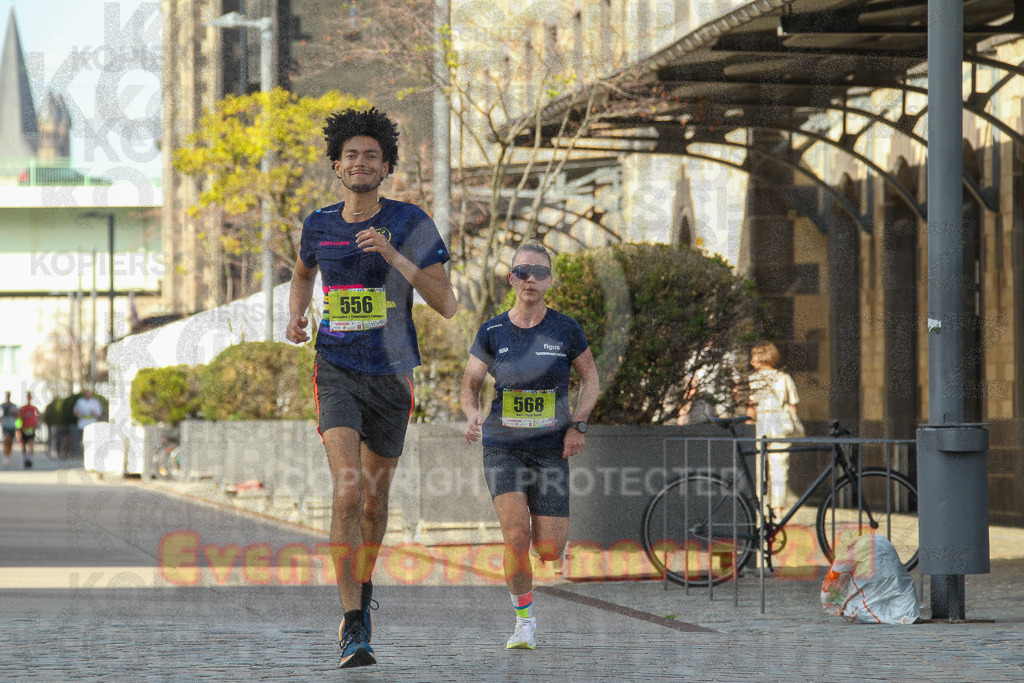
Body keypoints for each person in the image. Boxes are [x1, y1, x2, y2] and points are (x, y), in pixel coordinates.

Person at [285, 107, 457, 669]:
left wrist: (392, 255)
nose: (361, 162)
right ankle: (353, 619)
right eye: (351, 155)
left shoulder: (411, 221)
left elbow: (447, 303)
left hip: (392, 376)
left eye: (372, 155)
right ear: (337, 165)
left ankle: (363, 588)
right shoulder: (318, 223)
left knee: (376, 502)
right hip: (335, 368)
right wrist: (296, 316)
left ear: (386, 166)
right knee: (348, 493)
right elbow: (304, 271)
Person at [460, 242, 599, 651]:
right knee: (516, 533)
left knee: (550, 550)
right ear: (512, 279)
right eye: (522, 272)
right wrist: (472, 413)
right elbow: (469, 384)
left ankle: (538, 568)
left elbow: (590, 378)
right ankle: (524, 623)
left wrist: (579, 425)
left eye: (539, 272)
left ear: (550, 280)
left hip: (551, 448)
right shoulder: (492, 331)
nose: (530, 279)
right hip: (503, 445)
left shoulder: (565, 329)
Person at [746, 342, 801, 516]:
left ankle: (759, 506)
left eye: (753, 356)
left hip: (761, 422)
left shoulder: (753, 380)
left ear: (761, 358)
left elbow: (751, 406)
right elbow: (793, 406)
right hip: (779, 423)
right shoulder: (784, 378)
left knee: (758, 466)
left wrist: (747, 423)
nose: (751, 360)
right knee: (779, 467)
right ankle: (777, 510)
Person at [17, 392, 41, 469]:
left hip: (31, 428)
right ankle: (25, 457)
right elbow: (19, 418)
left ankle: (31, 458)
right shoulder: (22, 408)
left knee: (31, 443)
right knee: (24, 445)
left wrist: (37, 422)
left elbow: (39, 415)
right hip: (24, 428)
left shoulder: (34, 408)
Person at [1, 392, 17, 467]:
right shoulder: (2, 406)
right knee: (6, 440)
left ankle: (8, 455)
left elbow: (17, 415)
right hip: (5, 425)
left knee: (10, 442)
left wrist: (14, 413)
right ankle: (5, 457)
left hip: (12, 425)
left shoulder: (13, 406)